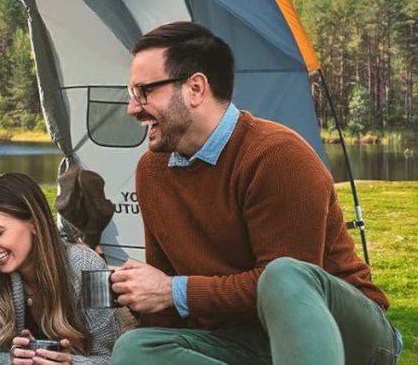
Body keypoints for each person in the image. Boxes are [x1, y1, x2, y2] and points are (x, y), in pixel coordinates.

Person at [111, 21, 402, 365]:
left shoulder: (276, 155)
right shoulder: (152, 171)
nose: (133, 108)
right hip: (242, 341)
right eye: (132, 94)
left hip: (342, 334)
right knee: (135, 349)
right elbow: (164, 296)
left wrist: (174, 291)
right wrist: (154, 302)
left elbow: (285, 296)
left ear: (195, 88)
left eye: (144, 91)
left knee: (283, 273)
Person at [0, 172, 120, 365]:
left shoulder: (91, 266)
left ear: (34, 224)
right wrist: (12, 360)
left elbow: (110, 357)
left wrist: (70, 363)